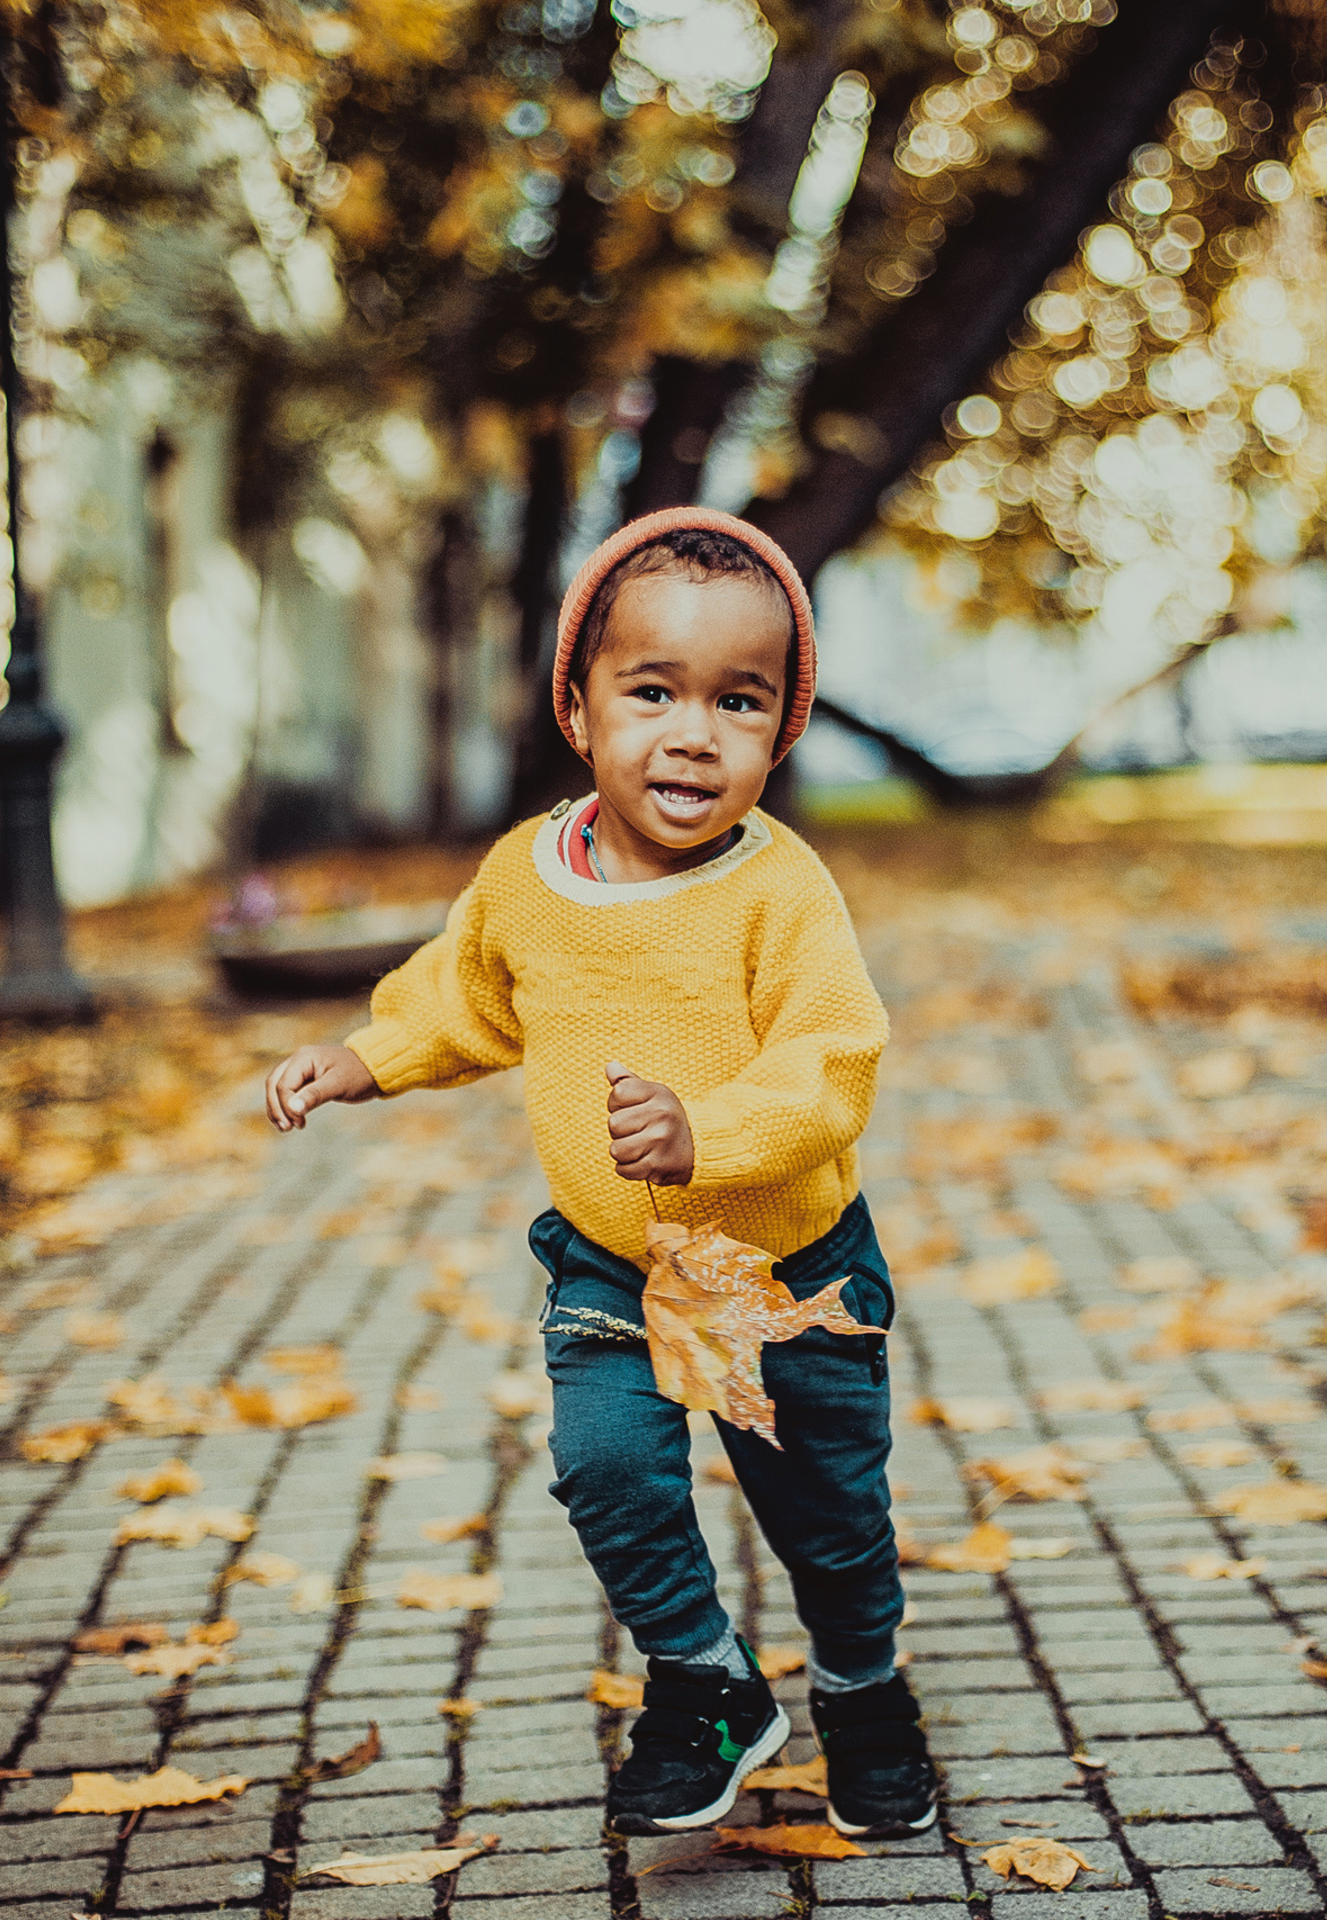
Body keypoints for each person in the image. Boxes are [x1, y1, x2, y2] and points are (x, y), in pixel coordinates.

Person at [262, 507, 937, 1839]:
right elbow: (465, 998)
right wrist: (368, 1055)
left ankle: (866, 1695)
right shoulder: (527, 879)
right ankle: (705, 1679)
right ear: (579, 709)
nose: (692, 732)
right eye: (652, 692)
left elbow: (831, 1056)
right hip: (610, 1263)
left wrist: (713, 1136)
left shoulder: (780, 891)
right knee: (607, 1466)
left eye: (738, 702)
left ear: (781, 730)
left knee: (831, 1520)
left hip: (780, 1272)